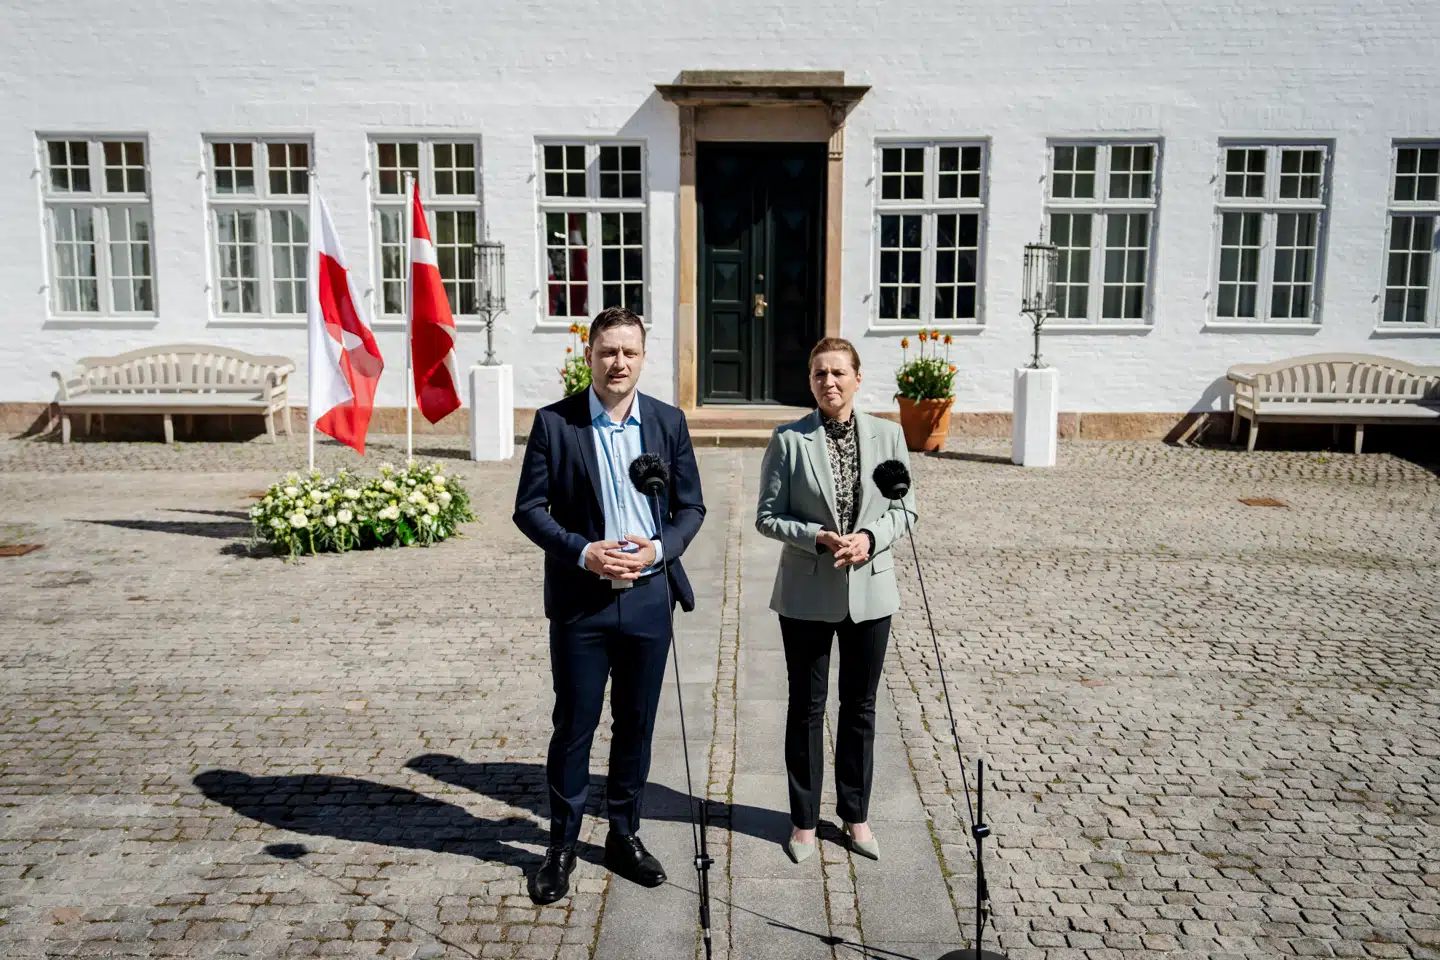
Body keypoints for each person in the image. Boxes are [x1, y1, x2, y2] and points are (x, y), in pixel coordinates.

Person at [513, 306, 706, 904]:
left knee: (637, 725)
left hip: (649, 599)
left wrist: (658, 548)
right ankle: (561, 846)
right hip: (582, 604)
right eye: (607, 352)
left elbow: (691, 508)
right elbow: (530, 509)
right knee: (574, 727)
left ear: (642, 358)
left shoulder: (668, 422)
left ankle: (624, 834)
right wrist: (582, 552)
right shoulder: (555, 423)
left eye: (629, 352)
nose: (618, 362)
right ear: (589, 356)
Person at [754, 336, 917, 864]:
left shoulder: (889, 435)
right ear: (811, 381)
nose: (829, 382)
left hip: (872, 591)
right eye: (819, 374)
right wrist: (816, 536)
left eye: (838, 373)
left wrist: (869, 538)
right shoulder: (789, 440)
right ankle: (803, 820)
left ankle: (856, 815)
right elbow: (767, 516)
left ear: (857, 378)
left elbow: (904, 510)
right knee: (806, 708)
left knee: (861, 708)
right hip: (806, 591)